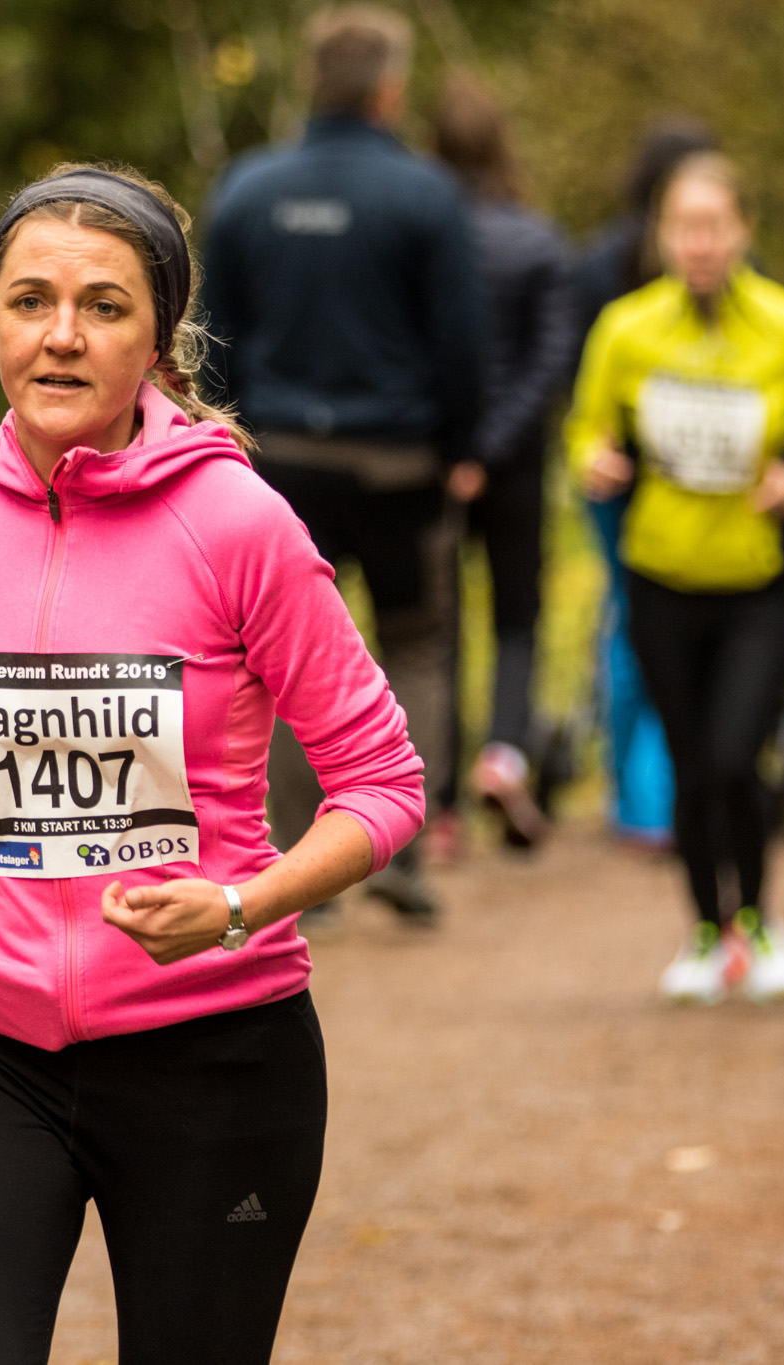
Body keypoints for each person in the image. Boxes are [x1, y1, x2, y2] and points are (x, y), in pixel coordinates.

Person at [0, 164, 423, 1362]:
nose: (61, 335)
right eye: (29, 301)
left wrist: (240, 905)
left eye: (102, 306)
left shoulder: (239, 526)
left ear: (156, 339)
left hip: (214, 1053)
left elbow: (383, 785)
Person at [200, 4, 483, 917]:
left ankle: (296, 863)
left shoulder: (248, 189)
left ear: (314, 81)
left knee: (277, 662)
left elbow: (212, 338)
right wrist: (463, 448)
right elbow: (462, 342)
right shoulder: (427, 195)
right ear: (389, 90)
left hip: (277, 466)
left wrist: (218, 456)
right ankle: (396, 852)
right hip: (400, 467)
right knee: (417, 646)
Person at [566, 151, 784, 1004]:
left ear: (743, 231)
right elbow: (585, 426)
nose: (699, 244)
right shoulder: (626, 328)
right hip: (660, 577)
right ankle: (706, 929)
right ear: (662, 236)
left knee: (737, 757)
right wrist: (594, 459)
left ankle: (761, 919)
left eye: (714, 227)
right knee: (692, 765)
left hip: (756, 584)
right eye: (683, 228)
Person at [426, 70, 580, 852]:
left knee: (437, 630)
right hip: (517, 462)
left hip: (433, 462)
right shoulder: (538, 239)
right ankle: (504, 754)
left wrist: (457, 448)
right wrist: (494, 446)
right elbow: (553, 358)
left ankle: (442, 805)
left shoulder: (419, 237)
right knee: (517, 616)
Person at [569, 119, 720, 850]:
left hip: (638, 478)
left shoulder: (598, 259)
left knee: (631, 623)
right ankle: (659, 798)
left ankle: (640, 795)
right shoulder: (612, 271)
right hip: (650, 481)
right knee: (654, 626)